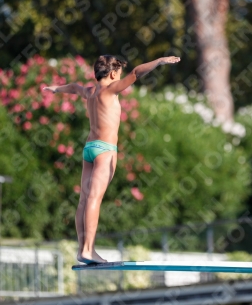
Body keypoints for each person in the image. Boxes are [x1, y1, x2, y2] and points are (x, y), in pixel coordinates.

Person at [43, 55, 180, 263]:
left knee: (84, 200)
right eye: (119, 74)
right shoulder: (112, 89)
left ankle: (83, 249)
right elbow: (136, 72)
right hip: (105, 150)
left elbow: (74, 87)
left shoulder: (90, 92)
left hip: (89, 149)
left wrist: (56, 89)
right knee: (94, 199)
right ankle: (88, 250)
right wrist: (160, 61)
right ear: (113, 73)